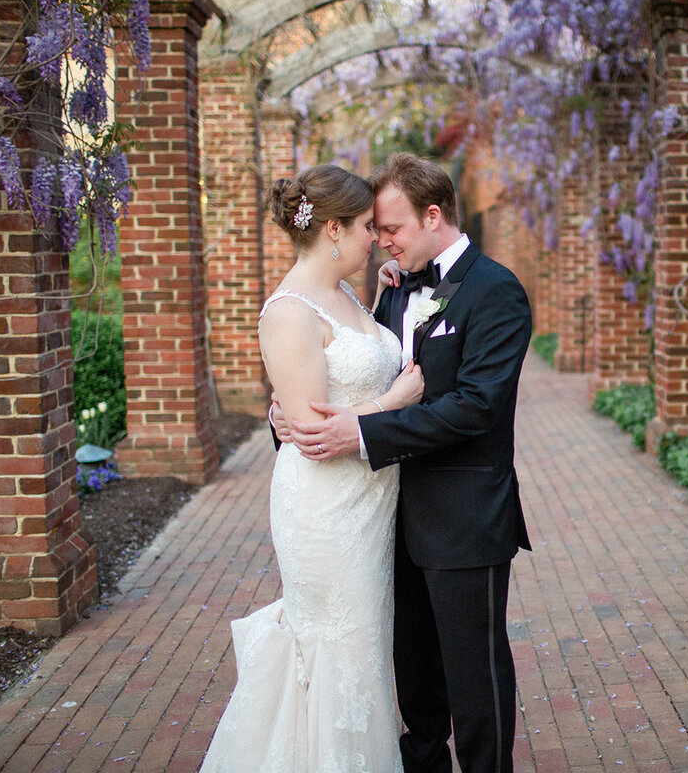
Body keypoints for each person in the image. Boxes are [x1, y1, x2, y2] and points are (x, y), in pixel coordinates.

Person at [275, 152, 533, 773]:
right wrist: (288, 417)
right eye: (375, 231)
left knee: (474, 673)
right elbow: (343, 371)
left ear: (433, 215)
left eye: (390, 228)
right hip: (382, 516)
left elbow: (475, 407)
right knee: (413, 673)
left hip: (463, 515)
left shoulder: (495, 291)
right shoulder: (393, 289)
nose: (382, 243)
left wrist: (364, 433)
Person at [200, 164, 424, 773]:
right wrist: (393, 402)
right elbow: (311, 433)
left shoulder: (347, 293)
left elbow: (361, 361)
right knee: (338, 648)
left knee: (365, 648)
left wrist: (386, 296)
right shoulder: (288, 312)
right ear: (332, 229)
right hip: (326, 508)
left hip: (370, 503)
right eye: (363, 228)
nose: (374, 238)